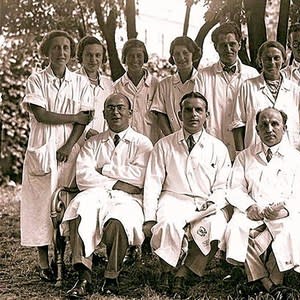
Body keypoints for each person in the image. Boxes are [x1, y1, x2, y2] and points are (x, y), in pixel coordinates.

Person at [63, 93, 153, 297]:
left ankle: (111, 277)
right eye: (110, 108)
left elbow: (139, 177)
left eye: (120, 107)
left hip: (128, 199)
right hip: (95, 194)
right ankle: (83, 276)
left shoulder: (143, 144)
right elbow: (84, 176)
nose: (116, 112)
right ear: (103, 114)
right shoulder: (93, 143)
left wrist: (104, 169)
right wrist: (118, 182)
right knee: (79, 209)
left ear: (130, 113)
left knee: (119, 220)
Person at [20, 30, 93, 282]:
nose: (61, 52)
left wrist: (68, 146)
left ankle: (72, 257)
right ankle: (44, 262)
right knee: (42, 203)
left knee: (69, 201)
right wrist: (73, 117)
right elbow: (42, 115)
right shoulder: (36, 80)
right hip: (43, 145)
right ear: (47, 51)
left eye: (65, 48)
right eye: (55, 48)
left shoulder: (81, 82)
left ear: (71, 52)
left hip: (70, 147)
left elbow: (86, 119)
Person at [143, 92, 231, 298]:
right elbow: (153, 183)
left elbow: (222, 187)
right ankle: (166, 271)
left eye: (199, 110)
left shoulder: (217, 148)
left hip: (205, 202)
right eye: (188, 110)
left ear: (206, 115)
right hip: (173, 198)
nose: (193, 114)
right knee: (167, 224)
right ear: (180, 114)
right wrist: (149, 217)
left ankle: (183, 273)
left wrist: (212, 203)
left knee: (217, 228)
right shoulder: (164, 145)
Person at [225, 107, 300, 294]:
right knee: (237, 229)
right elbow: (235, 188)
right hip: (253, 212)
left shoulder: (297, 159)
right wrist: (249, 206)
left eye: (275, 124)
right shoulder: (244, 156)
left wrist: (285, 210)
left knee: (291, 233)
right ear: (257, 130)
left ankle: (262, 281)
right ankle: (271, 286)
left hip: (286, 214)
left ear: (284, 128)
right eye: (264, 125)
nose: (269, 129)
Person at [195, 22, 258, 160]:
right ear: (216, 47)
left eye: (232, 44)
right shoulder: (203, 76)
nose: (228, 49)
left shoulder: (253, 75)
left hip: (245, 148)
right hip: (212, 147)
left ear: (240, 45)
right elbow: (198, 111)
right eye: (223, 45)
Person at [232, 41, 300, 152]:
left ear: (284, 60)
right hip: (255, 153)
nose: (272, 62)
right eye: (267, 58)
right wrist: (240, 155)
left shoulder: (295, 90)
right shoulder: (247, 87)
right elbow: (238, 124)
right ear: (260, 61)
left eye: (276, 58)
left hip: (289, 153)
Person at [152, 36, 202, 136]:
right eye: (177, 54)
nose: (181, 57)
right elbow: (161, 114)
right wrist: (172, 139)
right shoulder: (164, 84)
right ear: (172, 57)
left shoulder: (202, 81)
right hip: (173, 138)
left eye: (185, 53)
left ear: (193, 54)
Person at [114, 38, 160, 143]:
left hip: (150, 141)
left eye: (139, 56)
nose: (135, 59)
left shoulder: (156, 85)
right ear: (124, 58)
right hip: (124, 142)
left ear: (144, 58)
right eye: (130, 56)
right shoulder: (117, 87)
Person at [76, 35, 114, 140]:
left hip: (102, 142)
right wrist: (86, 131)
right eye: (89, 55)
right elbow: (65, 113)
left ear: (103, 57)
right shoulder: (71, 81)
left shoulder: (109, 85)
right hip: (77, 142)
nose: (93, 59)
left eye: (98, 55)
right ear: (81, 56)